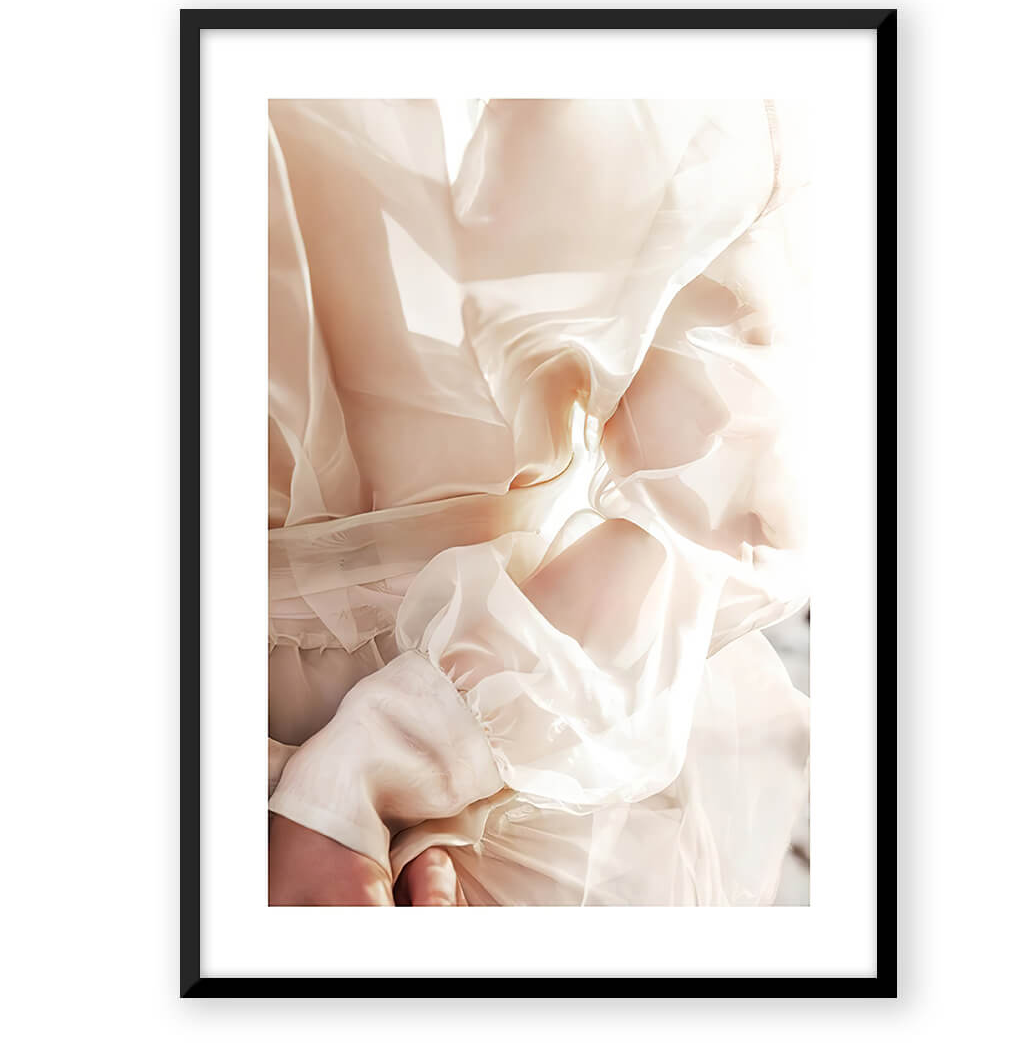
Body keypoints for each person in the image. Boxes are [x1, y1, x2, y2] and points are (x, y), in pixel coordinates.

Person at [266, 98, 810, 906]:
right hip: (517, 720)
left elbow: (732, 494)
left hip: (516, 732)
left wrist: (379, 768)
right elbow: (726, 491)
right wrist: (371, 774)